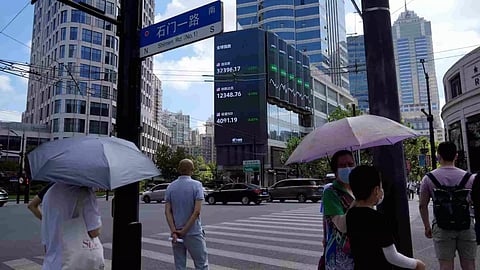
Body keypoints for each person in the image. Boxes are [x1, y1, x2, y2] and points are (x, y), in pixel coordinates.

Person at [346, 165, 426, 270]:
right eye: (380, 187)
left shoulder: (350, 215)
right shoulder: (378, 219)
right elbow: (392, 256)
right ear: (376, 190)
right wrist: (416, 264)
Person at [419, 142, 476, 270]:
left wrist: (427, 226)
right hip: (466, 225)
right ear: (456, 156)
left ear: (438, 156)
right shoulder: (470, 178)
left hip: (441, 226)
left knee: (445, 266)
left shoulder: (428, 178)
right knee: (469, 265)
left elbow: (423, 205)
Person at [41, 183, 104, 270]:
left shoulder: (49, 194)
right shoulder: (84, 192)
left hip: (51, 263)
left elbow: (46, 240)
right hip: (75, 263)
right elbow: (94, 231)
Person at [165, 159, 208, 270]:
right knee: (201, 264)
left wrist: (174, 231)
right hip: (193, 232)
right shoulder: (197, 185)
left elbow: (167, 211)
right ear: (192, 170)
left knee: (180, 265)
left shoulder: (170, 186)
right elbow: (196, 211)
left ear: (179, 170)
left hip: (176, 235)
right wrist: (184, 230)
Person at [321, 150, 356, 270]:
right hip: (340, 256)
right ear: (335, 171)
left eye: (351, 164)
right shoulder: (330, 192)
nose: (347, 168)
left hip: (359, 251)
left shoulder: (357, 189)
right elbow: (342, 225)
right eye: (342, 166)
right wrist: (359, 201)